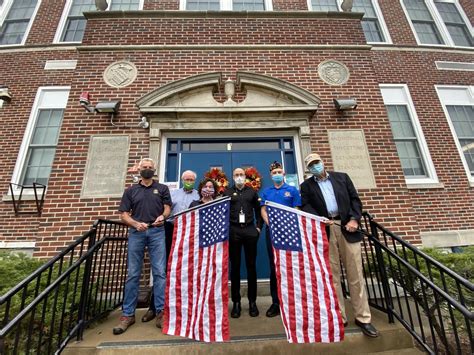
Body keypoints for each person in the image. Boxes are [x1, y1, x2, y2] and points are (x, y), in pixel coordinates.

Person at [300, 153, 378, 338]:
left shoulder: (342, 178)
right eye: (312, 165)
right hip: (326, 230)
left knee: (355, 274)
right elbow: (305, 206)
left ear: (322, 162)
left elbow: (355, 200)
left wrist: (354, 220)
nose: (315, 166)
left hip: (347, 228)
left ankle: (363, 318)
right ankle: (339, 317)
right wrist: (320, 219)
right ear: (308, 169)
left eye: (317, 162)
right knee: (332, 276)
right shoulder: (306, 186)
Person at [114, 158, 172, 334]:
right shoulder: (131, 190)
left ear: (154, 169)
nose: (147, 170)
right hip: (136, 233)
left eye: (150, 167)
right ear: (139, 170)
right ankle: (128, 315)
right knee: (133, 273)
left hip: (157, 232)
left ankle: (161, 313)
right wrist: (135, 223)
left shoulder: (162, 188)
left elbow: (168, 208)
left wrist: (163, 216)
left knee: (160, 273)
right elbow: (124, 214)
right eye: (144, 167)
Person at [141, 170, 199, 323]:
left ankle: (182, 307)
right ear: (182, 179)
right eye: (186, 178)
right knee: (163, 268)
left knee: (187, 269)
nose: (189, 180)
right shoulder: (172, 193)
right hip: (171, 230)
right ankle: (154, 308)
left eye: (191, 179)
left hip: (190, 232)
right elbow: (163, 210)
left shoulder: (199, 195)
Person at [260, 161, 301, 318]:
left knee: (291, 265)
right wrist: (272, 225)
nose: (277, 174)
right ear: (271, 176)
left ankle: (293, 302)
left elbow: (297, 209)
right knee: (274, 266)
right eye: (274, 172)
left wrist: (288, 225)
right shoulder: (266, 191)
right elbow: (263, 210)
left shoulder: (292, 190)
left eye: (279, 172)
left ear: (283, 174)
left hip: (290, 233)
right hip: (272, 232)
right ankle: (276, 302)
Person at [223, 168, 263, 318]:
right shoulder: (227, 192)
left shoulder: (252, 192)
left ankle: (252, 302)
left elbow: (259, 211)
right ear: (232, 177)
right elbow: (222, 212)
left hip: (249, 231)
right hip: (234, 232)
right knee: (235, 268)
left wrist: (258, 228)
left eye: (241, 175)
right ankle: (236, 303)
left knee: (251, 267)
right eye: (236, 175)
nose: (239, 177)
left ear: (245, 177)